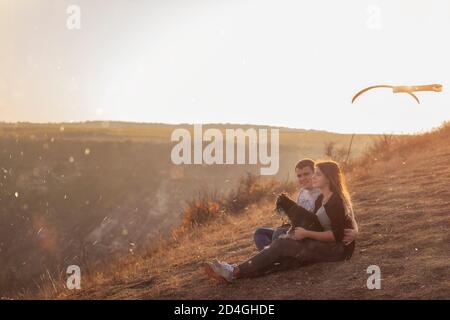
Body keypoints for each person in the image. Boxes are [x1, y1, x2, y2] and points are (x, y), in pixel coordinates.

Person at [203, 160, 358, 283]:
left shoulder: (336, 201)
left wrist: (306, 233)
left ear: (328, 178)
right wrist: (296, 231)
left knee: (281, 245)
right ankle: (233, 272)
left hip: (337, 251)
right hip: (323, 244)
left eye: (317, 174)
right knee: (281, 246)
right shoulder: (322, 199)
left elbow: (337, 236)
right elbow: (316, 222)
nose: (313, 178)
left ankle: (232, 272)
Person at [253, 159, 321, 251]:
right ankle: (272, 256)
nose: (302, 178)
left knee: (278, 233)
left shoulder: (321, 192)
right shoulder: (302, 192)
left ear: (315, 173)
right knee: (260, 232)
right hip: (296, 227)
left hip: (307, 233)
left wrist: (290, 233)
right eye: (299, 176)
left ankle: (272, 256)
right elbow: (297, 217)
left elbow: (317, 222)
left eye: (306, 174)